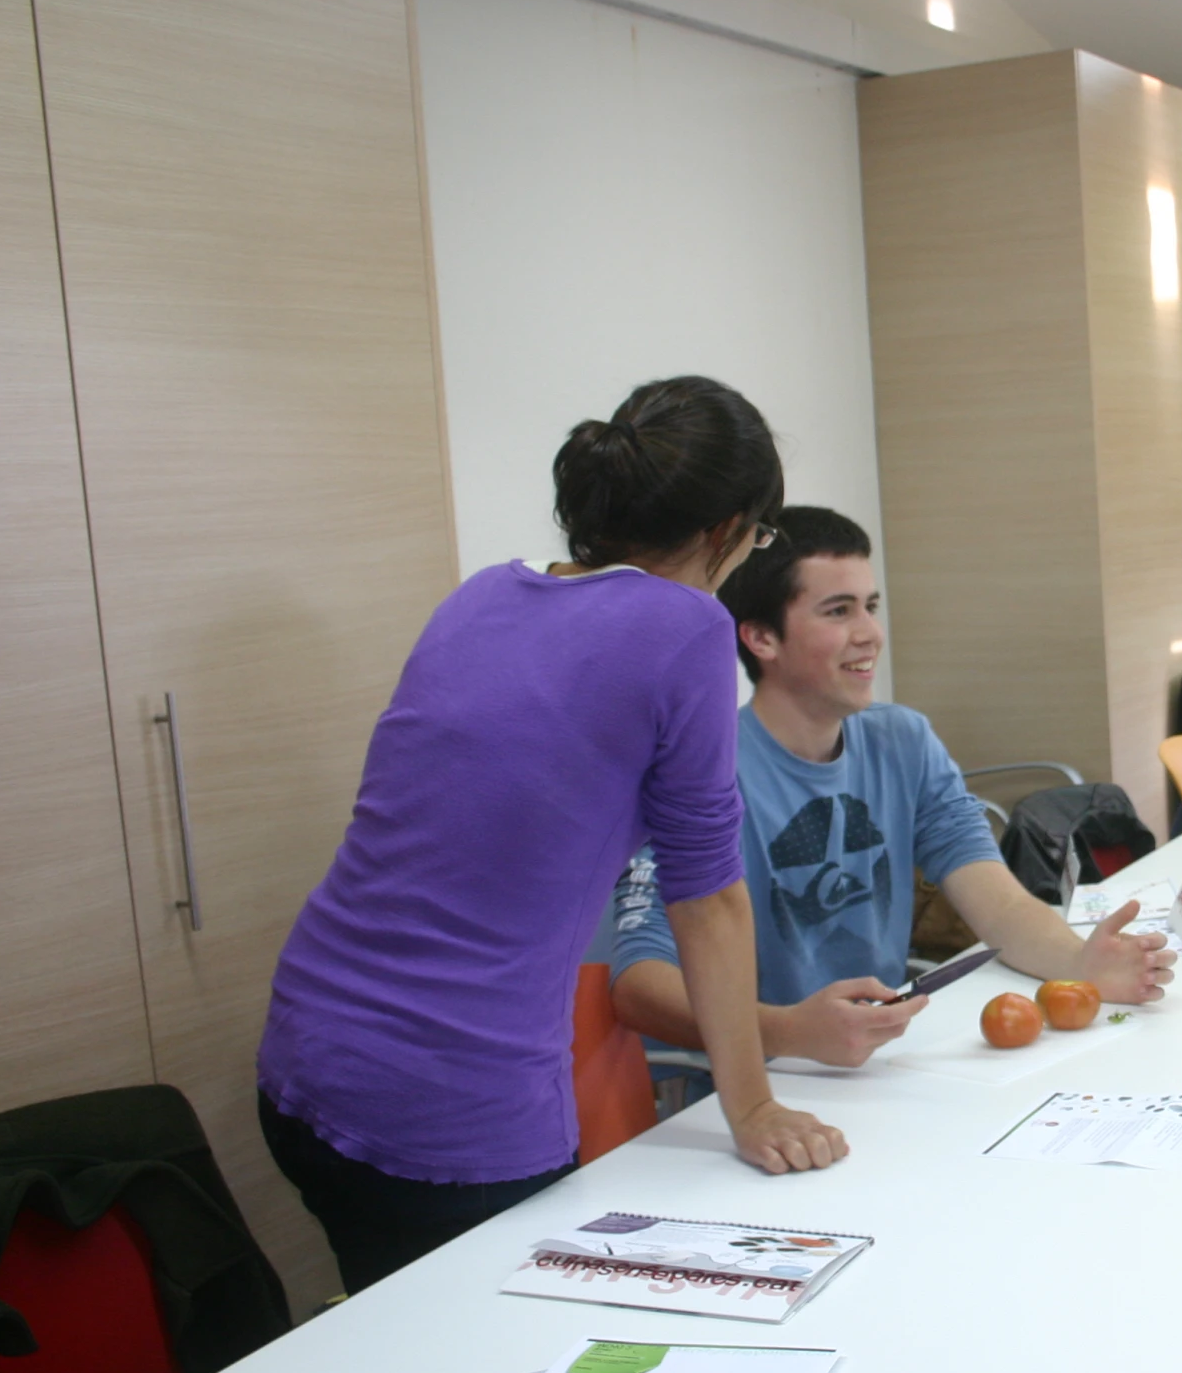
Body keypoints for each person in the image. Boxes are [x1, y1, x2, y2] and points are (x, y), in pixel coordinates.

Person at [257, 377, 844, 1295]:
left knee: (396, 1342)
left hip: (304, 1053)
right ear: (729, 529)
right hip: (450, 1094)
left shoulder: (483, 594)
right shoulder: (683, 622)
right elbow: (708, 894)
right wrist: (754, 1104)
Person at [605, 506, 1175, 1065]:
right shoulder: (699, 773)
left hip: (876, 1065)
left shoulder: (902, 741)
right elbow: (637, 983)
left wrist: (1080, 964)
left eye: (871, 607)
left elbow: (996, 903)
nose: (870, 634)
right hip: (760, 1088)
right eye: (838, 611)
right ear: (761, 639)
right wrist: (790, 1031)